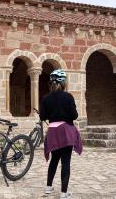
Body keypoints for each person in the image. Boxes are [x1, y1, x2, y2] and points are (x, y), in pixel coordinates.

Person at [40, 69, 83, 199]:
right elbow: (74, 115)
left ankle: (48, 188)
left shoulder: (46, 98)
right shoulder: (68, 97)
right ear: (63, 82)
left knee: (54, 160)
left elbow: (42, 117)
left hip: (53, 131)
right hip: (65, 130)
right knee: (65, 162)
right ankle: (64, 193)